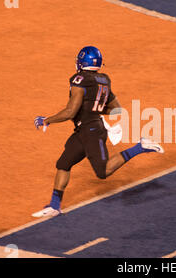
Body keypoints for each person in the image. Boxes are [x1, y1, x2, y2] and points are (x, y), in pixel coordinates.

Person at [32, 46, 164, 217]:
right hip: (85, 130)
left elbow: (70, 111)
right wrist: (94, 110)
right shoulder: (104, 80)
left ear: (82, 61)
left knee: (103, 172)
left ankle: (140, 146)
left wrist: (46, 120)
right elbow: (117, 110)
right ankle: (55, 206)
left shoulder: (79, 80)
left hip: (91, 131)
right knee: (63, 164)